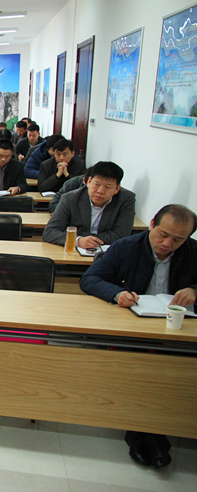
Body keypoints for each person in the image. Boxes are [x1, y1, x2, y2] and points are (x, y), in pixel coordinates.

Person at [80, 204, 197, 470]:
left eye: (178, 240)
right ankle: (146, 434)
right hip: (132, 328)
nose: (167, 244)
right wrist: (116, 294)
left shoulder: (193, 252)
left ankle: (147, 433)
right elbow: (89, 279)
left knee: (176, 372)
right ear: (152, 223)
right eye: (163, 234)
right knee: (144, 368)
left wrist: (194, 290)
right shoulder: (126, 247)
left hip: (177, 331)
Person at [43, 161, 136, 248]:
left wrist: (86, 239)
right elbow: (49, 232)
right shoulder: (70, 199)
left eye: (107, 187)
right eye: (96, 184)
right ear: (88, 182)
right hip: (75, 253)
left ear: (117, 189)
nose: (100, 191)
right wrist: (78, 241)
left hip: (107, 253)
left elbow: (121, 235)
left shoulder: (126, 199)